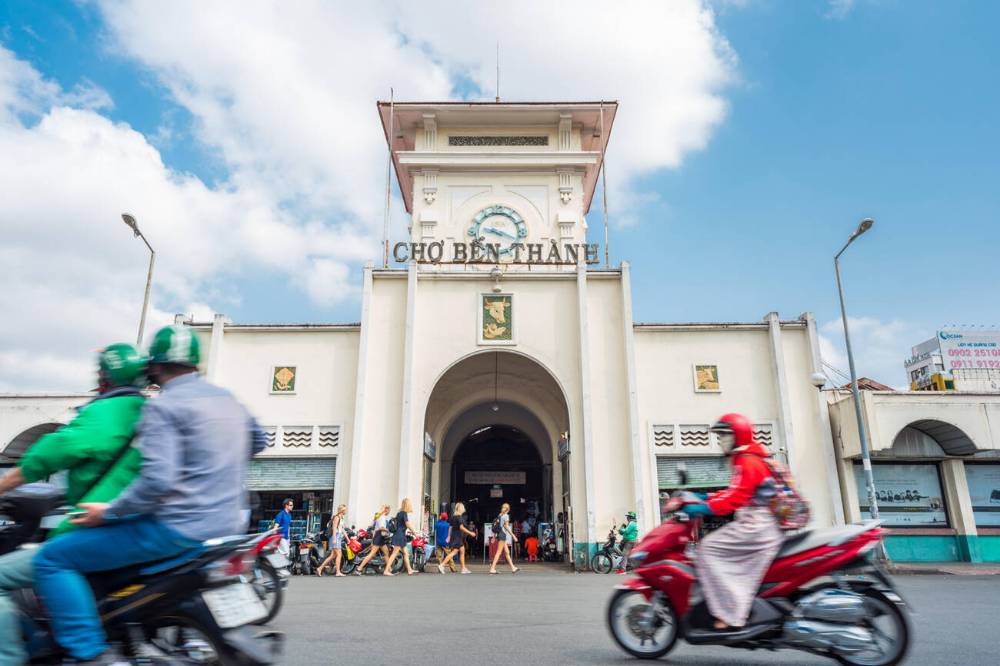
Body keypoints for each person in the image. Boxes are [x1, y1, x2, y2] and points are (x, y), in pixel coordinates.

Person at [33, 325, 267, 664]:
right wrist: (216, 463)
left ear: (154, 367)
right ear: (195, 363)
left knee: (52, 558)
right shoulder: (227, 399)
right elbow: (259, 440)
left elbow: (156, 482)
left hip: (175, 530)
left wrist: (107, 512)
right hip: (229, 527)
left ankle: (90, 654)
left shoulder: (163, 408)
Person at [0, 344, 147, 665]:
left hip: (93, 526)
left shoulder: (107, 412)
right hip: (141, 529)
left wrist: (5, 483)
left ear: (105, 377)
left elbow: (55, 450)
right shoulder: (150, 412)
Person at [663, 412, 784, 631]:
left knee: (707, 548)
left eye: (724, 435)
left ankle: (730, 614)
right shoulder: (748, 459)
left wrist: (697, 507)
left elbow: (732, 500)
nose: (721, 441)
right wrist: (698, 497)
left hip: (757, 525)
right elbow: (731, 493)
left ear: (738, 436)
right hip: (757, 524)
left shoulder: (748, 461)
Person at [438, 502, 476, 574]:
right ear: (461, 509)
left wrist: (449, 536)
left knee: (462, 551)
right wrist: (470, 533)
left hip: (455, 536)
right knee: (454, 552)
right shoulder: (459, 518)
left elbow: (450, 528)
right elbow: (461, 527)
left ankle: (463, 568)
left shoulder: (453, 517)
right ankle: (442, 565)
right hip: (457, 537)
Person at [383, 498, 418, 576]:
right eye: (409, 504)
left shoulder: (399, 513)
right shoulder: (404, 513)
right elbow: (407, 524)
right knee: (394, 553)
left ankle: (409, 570)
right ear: (407, 505)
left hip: (400, 535)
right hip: (400, 536)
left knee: (406, 553)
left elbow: (401, 525)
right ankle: (386, 570)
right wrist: (414, 532)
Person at [355, 504, 391, 575]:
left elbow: (375, 529)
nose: (389, 512)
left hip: (379, 537)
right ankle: (359, 568)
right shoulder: (382, 517)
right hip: (379, 537)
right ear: (386, 510)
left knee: (386, 553)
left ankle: (389, 569)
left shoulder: (379, 516)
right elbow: (381, 528)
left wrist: (373, 540)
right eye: (389, 510)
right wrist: (388, 530)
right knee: (371, 554)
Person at [489, 503, 519, 575]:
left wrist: (494, 536)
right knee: (499, 552)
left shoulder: (500, 515)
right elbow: (506, 527)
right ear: (508, 509)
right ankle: (492, 568)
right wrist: (513, 536)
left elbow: (497, 527)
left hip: (499, 534)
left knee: (507, 552)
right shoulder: (506, 516)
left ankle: (513, 567)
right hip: (502, 535)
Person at [317, 503, 348, 576]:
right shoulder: (336, 517)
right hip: (335, 537)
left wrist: (347, 538)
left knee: (333, 556)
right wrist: (334, 539)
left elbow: (342, 529)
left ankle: (320, 568)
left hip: (338, 537)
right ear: (342, 510)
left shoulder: (342, 518)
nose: (346, 511)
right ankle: (338, 572)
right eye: (345, 510)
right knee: (339, 554)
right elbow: (334, 528)